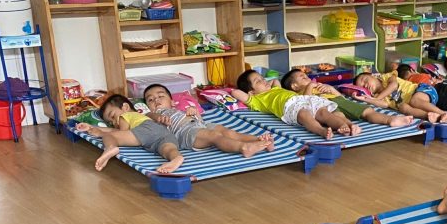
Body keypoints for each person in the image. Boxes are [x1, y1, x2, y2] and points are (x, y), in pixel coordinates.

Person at [142, 84, 274, 157]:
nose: (156, 100)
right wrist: (157, 117)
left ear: (172, 101)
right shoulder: (152, 114)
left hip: (199, 125)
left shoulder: (178, 110)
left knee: (228, 132)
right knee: (214, 136)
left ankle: (258, 140)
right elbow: (149, 117)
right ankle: (243, 148)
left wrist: (195, 113)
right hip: (184, 132)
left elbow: (200, 122)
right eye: (150, 100)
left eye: (160, 96)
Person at [232, 69, 360, 139]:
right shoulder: (257, 100)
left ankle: (344, 126)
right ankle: (321, 130)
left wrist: (264, 84)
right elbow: (235, 92)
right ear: (251, 92)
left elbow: (275, 80)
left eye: (262, 78)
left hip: (303, 99)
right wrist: (250, 94)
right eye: (258, 81)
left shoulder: (275, 88)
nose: (264, 81)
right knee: (304, 115)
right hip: (290, 107)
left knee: (324, 112)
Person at [75, 94, 183, 173]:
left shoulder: (125, 116)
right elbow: (115, 131)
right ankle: (176, 158)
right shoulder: (140, 117)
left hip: (147, 129)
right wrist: (92, 127)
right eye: (110, 122)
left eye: (113, 116)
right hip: (164, 133)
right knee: (168, 150)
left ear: (125, 107)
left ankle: (110, 148)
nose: (114, 122)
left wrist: (100, 133)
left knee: (109, 136)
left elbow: (120, 133)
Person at [280, 69, 415, 128]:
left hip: (337, 100)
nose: (308, 78)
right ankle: (350, 126)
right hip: (324, 107)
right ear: (294, 86)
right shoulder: (298, 94)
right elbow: (306, 101)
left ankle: (390, 120)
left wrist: (331, 89)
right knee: (339, 117)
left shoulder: (318, 85)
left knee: (367, 111)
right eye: (303, 78)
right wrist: (310, 86)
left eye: (306, 76)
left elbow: (340, 97)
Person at [352, 72, 447, 123]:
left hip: (423, 90)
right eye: (362, 87)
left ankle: (443, 113)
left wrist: (377, 98)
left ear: (373, 75)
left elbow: (393, 85)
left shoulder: (386, 77)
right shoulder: (376, 96)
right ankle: (430, 116)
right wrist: (366, 99)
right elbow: (385, 104)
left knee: (414, 100)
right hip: (415, 103)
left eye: (365, 80)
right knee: (403, 107)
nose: (365, 85)